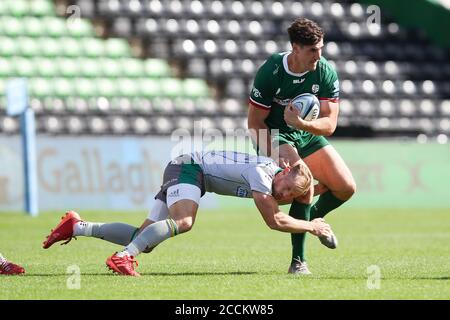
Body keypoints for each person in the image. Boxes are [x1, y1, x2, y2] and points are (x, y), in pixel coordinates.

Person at [43, 150, 335, 276]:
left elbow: (277, 207)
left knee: (142, 237)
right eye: (285, 189)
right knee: (184, 222)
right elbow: (274, 220)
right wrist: (313, 226)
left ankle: (78, 226)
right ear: (283, 171)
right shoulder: (262, 174)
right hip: (189, 168)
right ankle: (122, 257)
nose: (283, 196)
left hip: (187, 168)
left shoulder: (271, 178)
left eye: (290, 195)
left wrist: (319, 192)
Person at [248, 18, 356, 275]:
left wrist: (301, 123)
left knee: (346, 187)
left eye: (321, 48)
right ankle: (298, 262)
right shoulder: (272, 70)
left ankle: (312, 220)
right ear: (295, 48)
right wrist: (275, 150)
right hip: (275, 134)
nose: (319, 55)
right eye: (312, 50)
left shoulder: (325, 71)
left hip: (306, 134)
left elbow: (329, 124)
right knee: (303, 188)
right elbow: (254, 123)